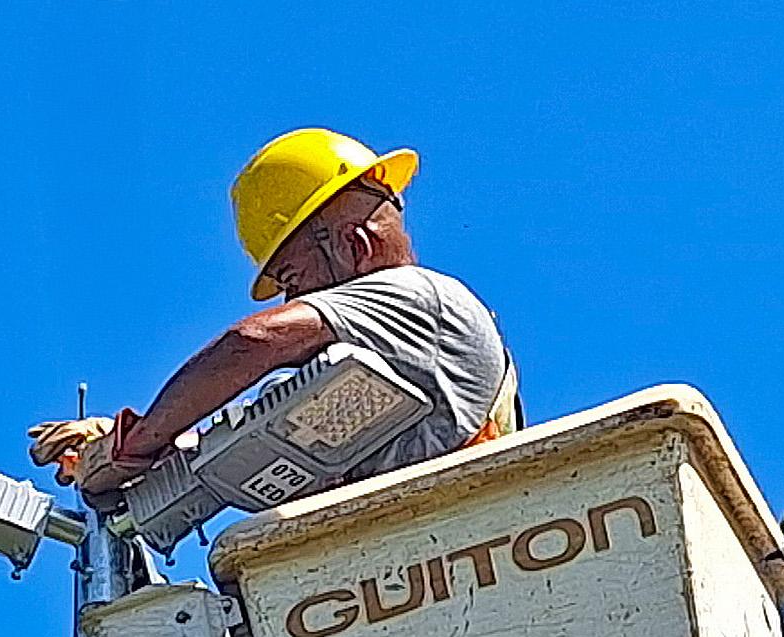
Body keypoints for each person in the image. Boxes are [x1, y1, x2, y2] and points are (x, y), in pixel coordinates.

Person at [29, 128, 519, 498]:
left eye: (290, 277)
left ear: (352, 242)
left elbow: (255, 343)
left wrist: (132, 448)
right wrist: (127, 445)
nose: (290, 299)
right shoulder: (384, 361)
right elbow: (242, 451)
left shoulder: (418, 296)